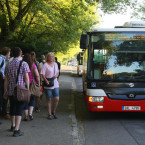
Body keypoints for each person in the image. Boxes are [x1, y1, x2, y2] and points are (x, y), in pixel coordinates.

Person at [4, 47, 30, 137]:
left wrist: (5, 90)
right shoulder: (24, 64)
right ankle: (17, 130)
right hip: (21, 90)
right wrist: (28, 88)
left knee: (12, 108)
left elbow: (6, 80)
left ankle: (12, 126)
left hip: (11, 90)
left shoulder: (8, 64)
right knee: (19, 110)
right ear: (20, 53)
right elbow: (26, 78)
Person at [41, 52, 59, 120]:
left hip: (55, 83)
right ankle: (49, 114)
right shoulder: (45, 65)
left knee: (57, 98)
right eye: (50, 56)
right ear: (47, 58)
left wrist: (56, 75)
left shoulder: (55, 64)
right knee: (49, 99)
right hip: (48, 83)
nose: (51, 58)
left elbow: (57, 72)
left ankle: (53, 112)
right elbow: (42, 74)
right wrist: (46, 80)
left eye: (52, 56)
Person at [23, 53, 40, 121]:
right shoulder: (33, 65)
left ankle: (26, 116)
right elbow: (37, 75)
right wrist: (38, 83)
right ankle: (30, 113)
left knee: (25, 100)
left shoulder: (22, 65)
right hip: (32, 84)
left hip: (23, 84)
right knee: (32, 99)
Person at [0, 47, 11, 118]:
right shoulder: (1, 59)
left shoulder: (3, 59)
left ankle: (3, 112)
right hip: (1, 79)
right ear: (6, 53)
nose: (9, 55)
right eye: (9, 53)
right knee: (3, 95)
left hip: (2, 79)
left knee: (3, 95)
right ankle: (3, 113)